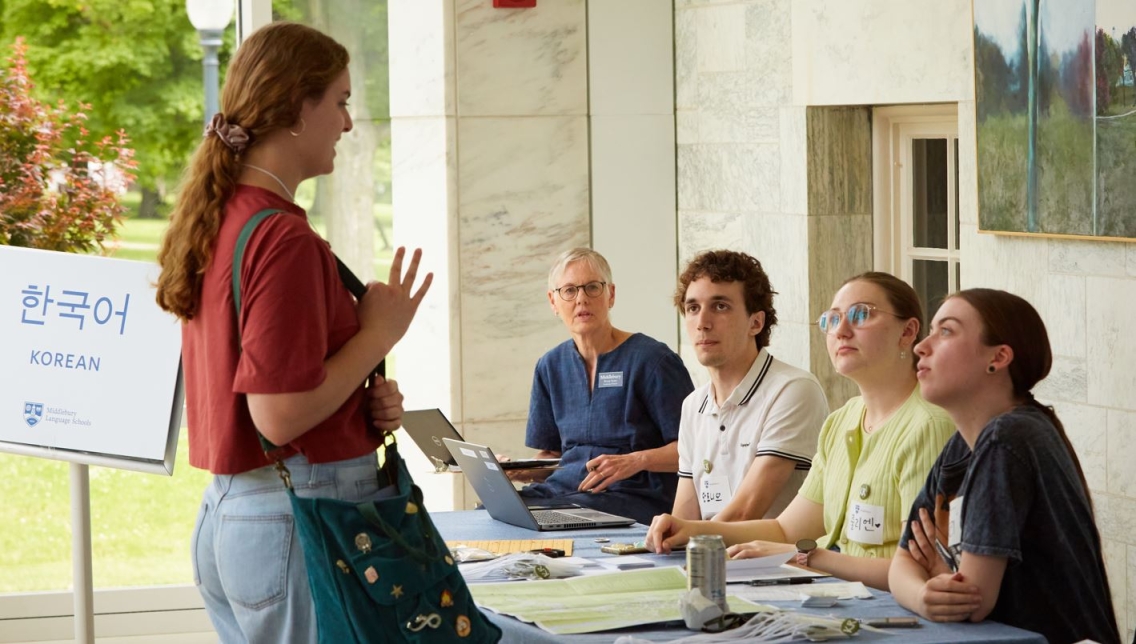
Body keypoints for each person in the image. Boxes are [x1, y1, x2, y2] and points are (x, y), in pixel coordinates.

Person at [155, 23, 431, 643]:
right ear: (297, 107)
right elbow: (278, 415)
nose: (348, 123)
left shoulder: (224, 218)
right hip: (297, 515)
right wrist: (378, 335)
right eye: (340, 101)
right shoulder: (283, 238)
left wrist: (363, 394)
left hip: (237, 516)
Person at [647, 272, 955, 591]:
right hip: (836, 595)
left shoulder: (928, 425)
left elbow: (918, 571)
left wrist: (803, 556)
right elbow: (784, 529)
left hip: (891, 608)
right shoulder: (843, 420)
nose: (842, 331)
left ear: (907, 332)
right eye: (832, 319)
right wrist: (691, 529)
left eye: (861, 315)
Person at [890, 289, 1120, 643]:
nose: (922, 346)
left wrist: (941, 571)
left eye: (946, 331)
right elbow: (901, 565)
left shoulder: (1008, 437)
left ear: (998, 357)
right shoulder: (962, 444)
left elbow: (972, 602)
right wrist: (923, 596)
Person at [513, 247, 694, 525]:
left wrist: (636, 461)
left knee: (553, 518)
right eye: (569, 291)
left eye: (592, 288)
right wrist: (512, 471)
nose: (582, 299)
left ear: (611, 295)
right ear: (553, 301)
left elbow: (696, 448)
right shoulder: (550, 366)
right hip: (563, 493)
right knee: (492, 515)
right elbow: (551, 457)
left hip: (633, 497)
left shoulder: (653, 360)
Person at [672, 250, 827, 522]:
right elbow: (684, 517)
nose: (702, 323)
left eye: (720, 306)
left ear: (756, 322)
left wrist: (690, 540)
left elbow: (746, 512)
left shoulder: (793, 390)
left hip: (778, 562)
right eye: (693, 308)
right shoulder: (693, 406)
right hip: (711, 555)